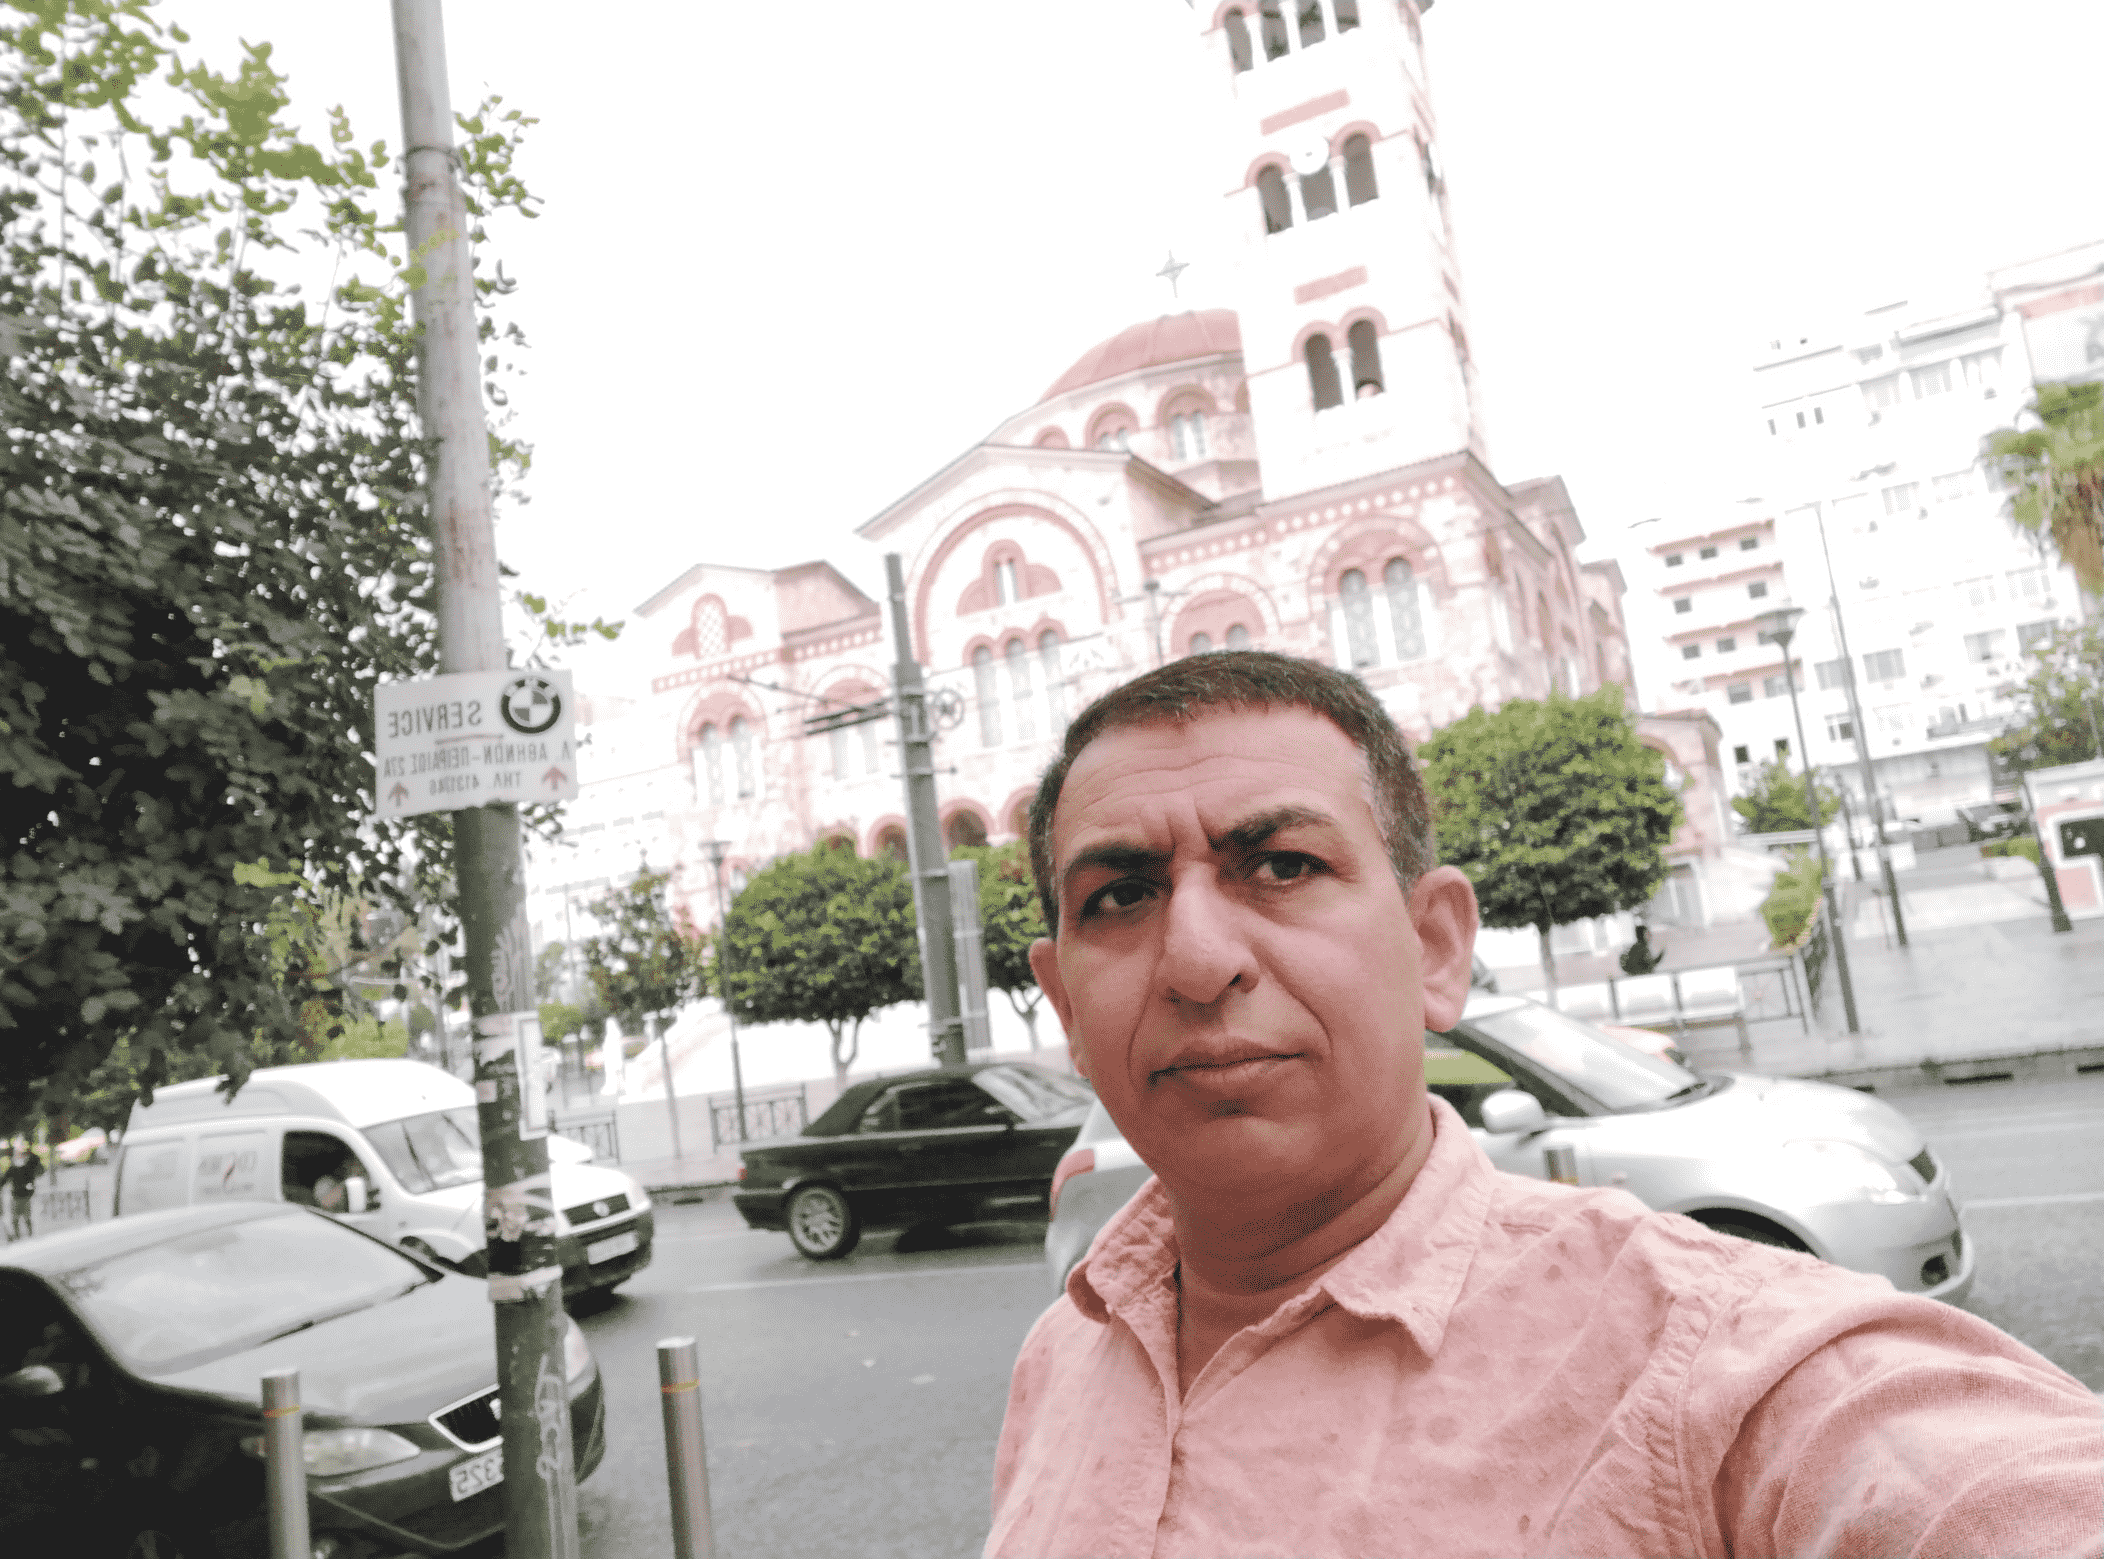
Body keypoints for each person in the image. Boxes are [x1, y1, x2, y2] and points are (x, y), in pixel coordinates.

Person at [989, 650, 2102, 1558]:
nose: (1195, 958)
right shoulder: (1062, 1359)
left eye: (1281, 865)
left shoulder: (1706, 1365)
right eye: (1120, 894)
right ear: (1066, 1007)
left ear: (1435, 948)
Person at [4, 1145, 40, 1241]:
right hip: (16, 1196)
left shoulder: (26, 1169)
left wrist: (31, 1191)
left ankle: (30, 1235)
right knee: (15, 1218)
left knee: (25, 1217)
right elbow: (4, 1180)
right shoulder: (12, 1170)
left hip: (24, 1196)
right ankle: (18, 1236)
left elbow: (32, 1180)